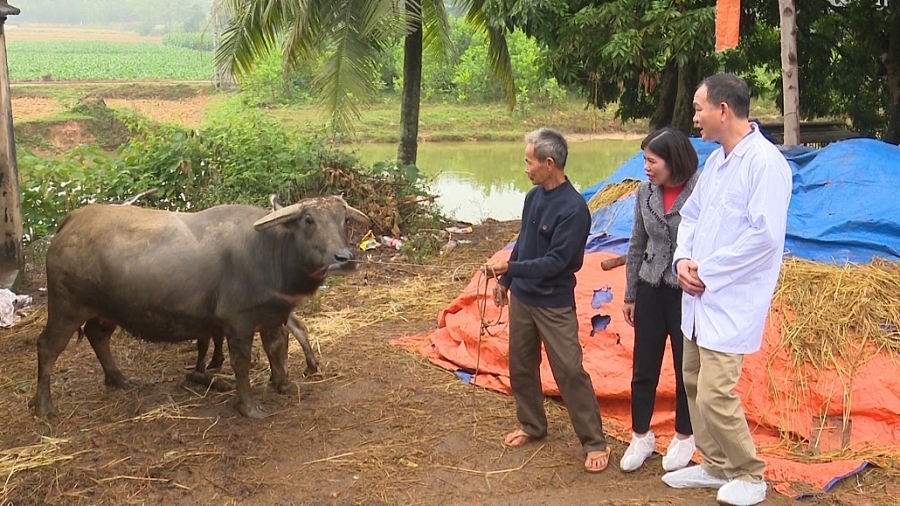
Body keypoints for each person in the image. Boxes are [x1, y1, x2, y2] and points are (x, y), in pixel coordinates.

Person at [662, 73, 792, 506]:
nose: (694, 117)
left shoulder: (765, 164)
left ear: (723, 110)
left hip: (729, 297)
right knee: (694, 381)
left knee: (717, 391)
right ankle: (716, 464)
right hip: (697, 295)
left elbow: (765, 237)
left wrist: (709, 272)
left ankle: (750, 475)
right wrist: (682, 260)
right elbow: (692, 216)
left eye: (699, 108)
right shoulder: (716, 163)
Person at [483, 127, 610, 473]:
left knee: (569, 370)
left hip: (553, 302)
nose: (525, 168)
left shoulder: (573, 210)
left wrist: (511, 266)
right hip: (524, 297)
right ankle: (532, 424)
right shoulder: (533, 197)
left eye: (529, 162)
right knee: (521, 365)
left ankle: (594, 441)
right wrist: (506, 281)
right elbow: (524, 243)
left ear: (549, 163)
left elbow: (557, 263)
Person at [619, 128, 699, 473]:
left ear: (673, 161)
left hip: (686, 291)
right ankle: (641, 436)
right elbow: (637, 243)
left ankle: (684, 436)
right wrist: (631, 293)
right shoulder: (643, 192)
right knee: (643, 366)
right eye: (644, 160)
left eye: (652, 161)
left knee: (686, 368)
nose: (646, 167)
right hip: (651, 287)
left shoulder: (700, 191)